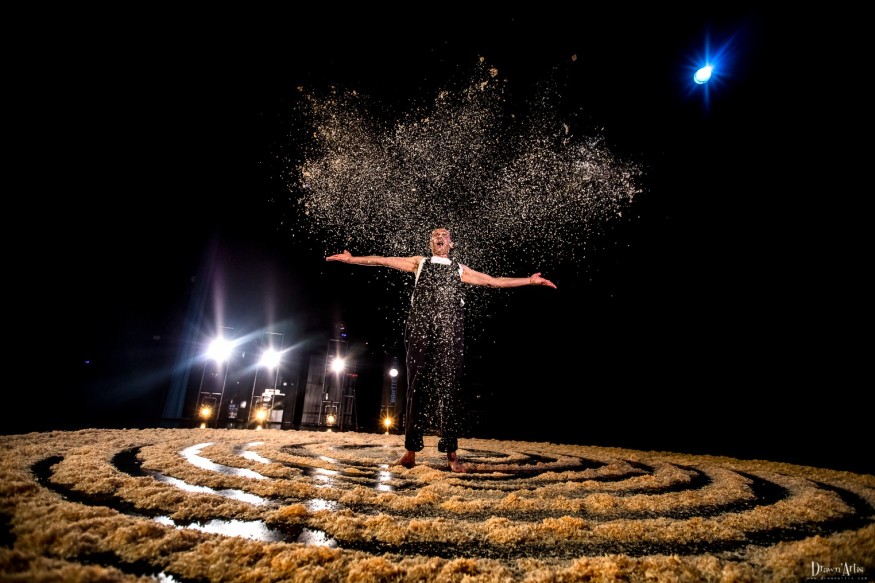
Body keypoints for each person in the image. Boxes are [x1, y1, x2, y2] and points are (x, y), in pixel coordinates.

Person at [326, 228, 556, 472]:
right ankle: (410, 452)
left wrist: (529, 280)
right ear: (430, 243)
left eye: (444, 234)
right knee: (416, 386)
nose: (439, 236)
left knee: (450, 387)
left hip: (450, 328)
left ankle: (451, 454)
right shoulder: (419, 262)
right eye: (435, 234)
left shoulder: (459, 269)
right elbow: (382, 260)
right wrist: (352, 259)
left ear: (451, 244)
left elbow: (494, 281)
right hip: (420, 325)